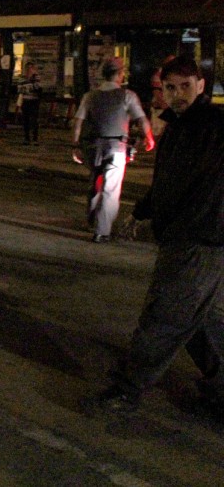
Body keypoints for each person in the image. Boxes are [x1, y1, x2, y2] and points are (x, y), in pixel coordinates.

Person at [87, 56, 224, 416]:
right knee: (199, 319)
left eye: (185, 86)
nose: (177, 94)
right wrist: (142, 210)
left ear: (201, 86)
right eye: (170, 87)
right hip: (189, 236)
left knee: (164, 317)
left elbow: (191, 186)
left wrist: (160, 219)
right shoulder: (181, 125)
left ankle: (127, 387)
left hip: (198, 237)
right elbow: (168, 182)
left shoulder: (211, 125)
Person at [71, 57, 154, 243]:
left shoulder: (90, 96)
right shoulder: (127, 96)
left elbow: (78, 122)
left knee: (95, 182)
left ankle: (91, 220)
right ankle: (102, 231)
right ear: (118, 74)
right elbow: (141, 120)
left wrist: (75, 145)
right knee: (111, 189)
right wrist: (149, 138)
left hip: (92, 147)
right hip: (117, 147)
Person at [17, 62, 42, 145]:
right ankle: (26, 138)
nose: (30, 70)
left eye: (32, 68)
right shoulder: (22, 78)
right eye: (28, 68)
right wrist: (29, 87)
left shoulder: (36, 77)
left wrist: (29, 85)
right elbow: (20, 89)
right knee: (26, 119)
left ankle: (35, 138)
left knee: (34, 120)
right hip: (25, 100)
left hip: (34, 100)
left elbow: (37, 87)